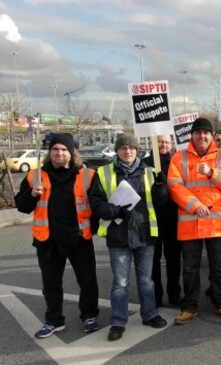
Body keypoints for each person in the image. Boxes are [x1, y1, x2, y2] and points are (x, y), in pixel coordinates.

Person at [15, 133, 100, 338]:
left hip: (79, 238)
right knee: (51, 284)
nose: (59, 153)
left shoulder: (87, 175)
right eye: (55, 149)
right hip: (48, 239)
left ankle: (89, 315)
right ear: (49, 152)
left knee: (87, 281)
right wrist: (32, 194)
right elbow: (22, 206)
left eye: (64, 150)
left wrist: (91, 229)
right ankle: (54, 320)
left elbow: (96, 205)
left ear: (72, 153)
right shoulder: (35, 176)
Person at [89, 133, 168, 341]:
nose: (128, 151)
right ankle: (118, 321)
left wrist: (161, 188)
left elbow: (160, 204)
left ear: (137, 149)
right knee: (120, 283)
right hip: (118, 235)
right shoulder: (103, 172)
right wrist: (114, 211)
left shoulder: (150, 171)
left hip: (144, 233)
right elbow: (95, 202)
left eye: (132, 148)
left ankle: (150, 314)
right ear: (117, 150)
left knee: (146, 281)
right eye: (123, 148)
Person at [167, 118, 221, 323]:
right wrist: (194, 205)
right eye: (198, 132)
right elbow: (174, 186)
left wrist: (212, 173)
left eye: (206, 132)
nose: (202, 136)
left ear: (211, 135)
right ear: (192, 135)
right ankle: (189, 306)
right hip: (190, 220)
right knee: (190, 268)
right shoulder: (179, 157)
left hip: (215, 224)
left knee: (218, 267)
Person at [143, 134, 182, 307]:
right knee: (153, 262)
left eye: (167, 142)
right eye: (160, 141)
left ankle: (174, 295)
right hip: (151, 220)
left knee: (173, 261)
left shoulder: (177, 162)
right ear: (153, 142)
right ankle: (156, 297)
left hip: (173, 219)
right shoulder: (143, 163)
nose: (163, 145)